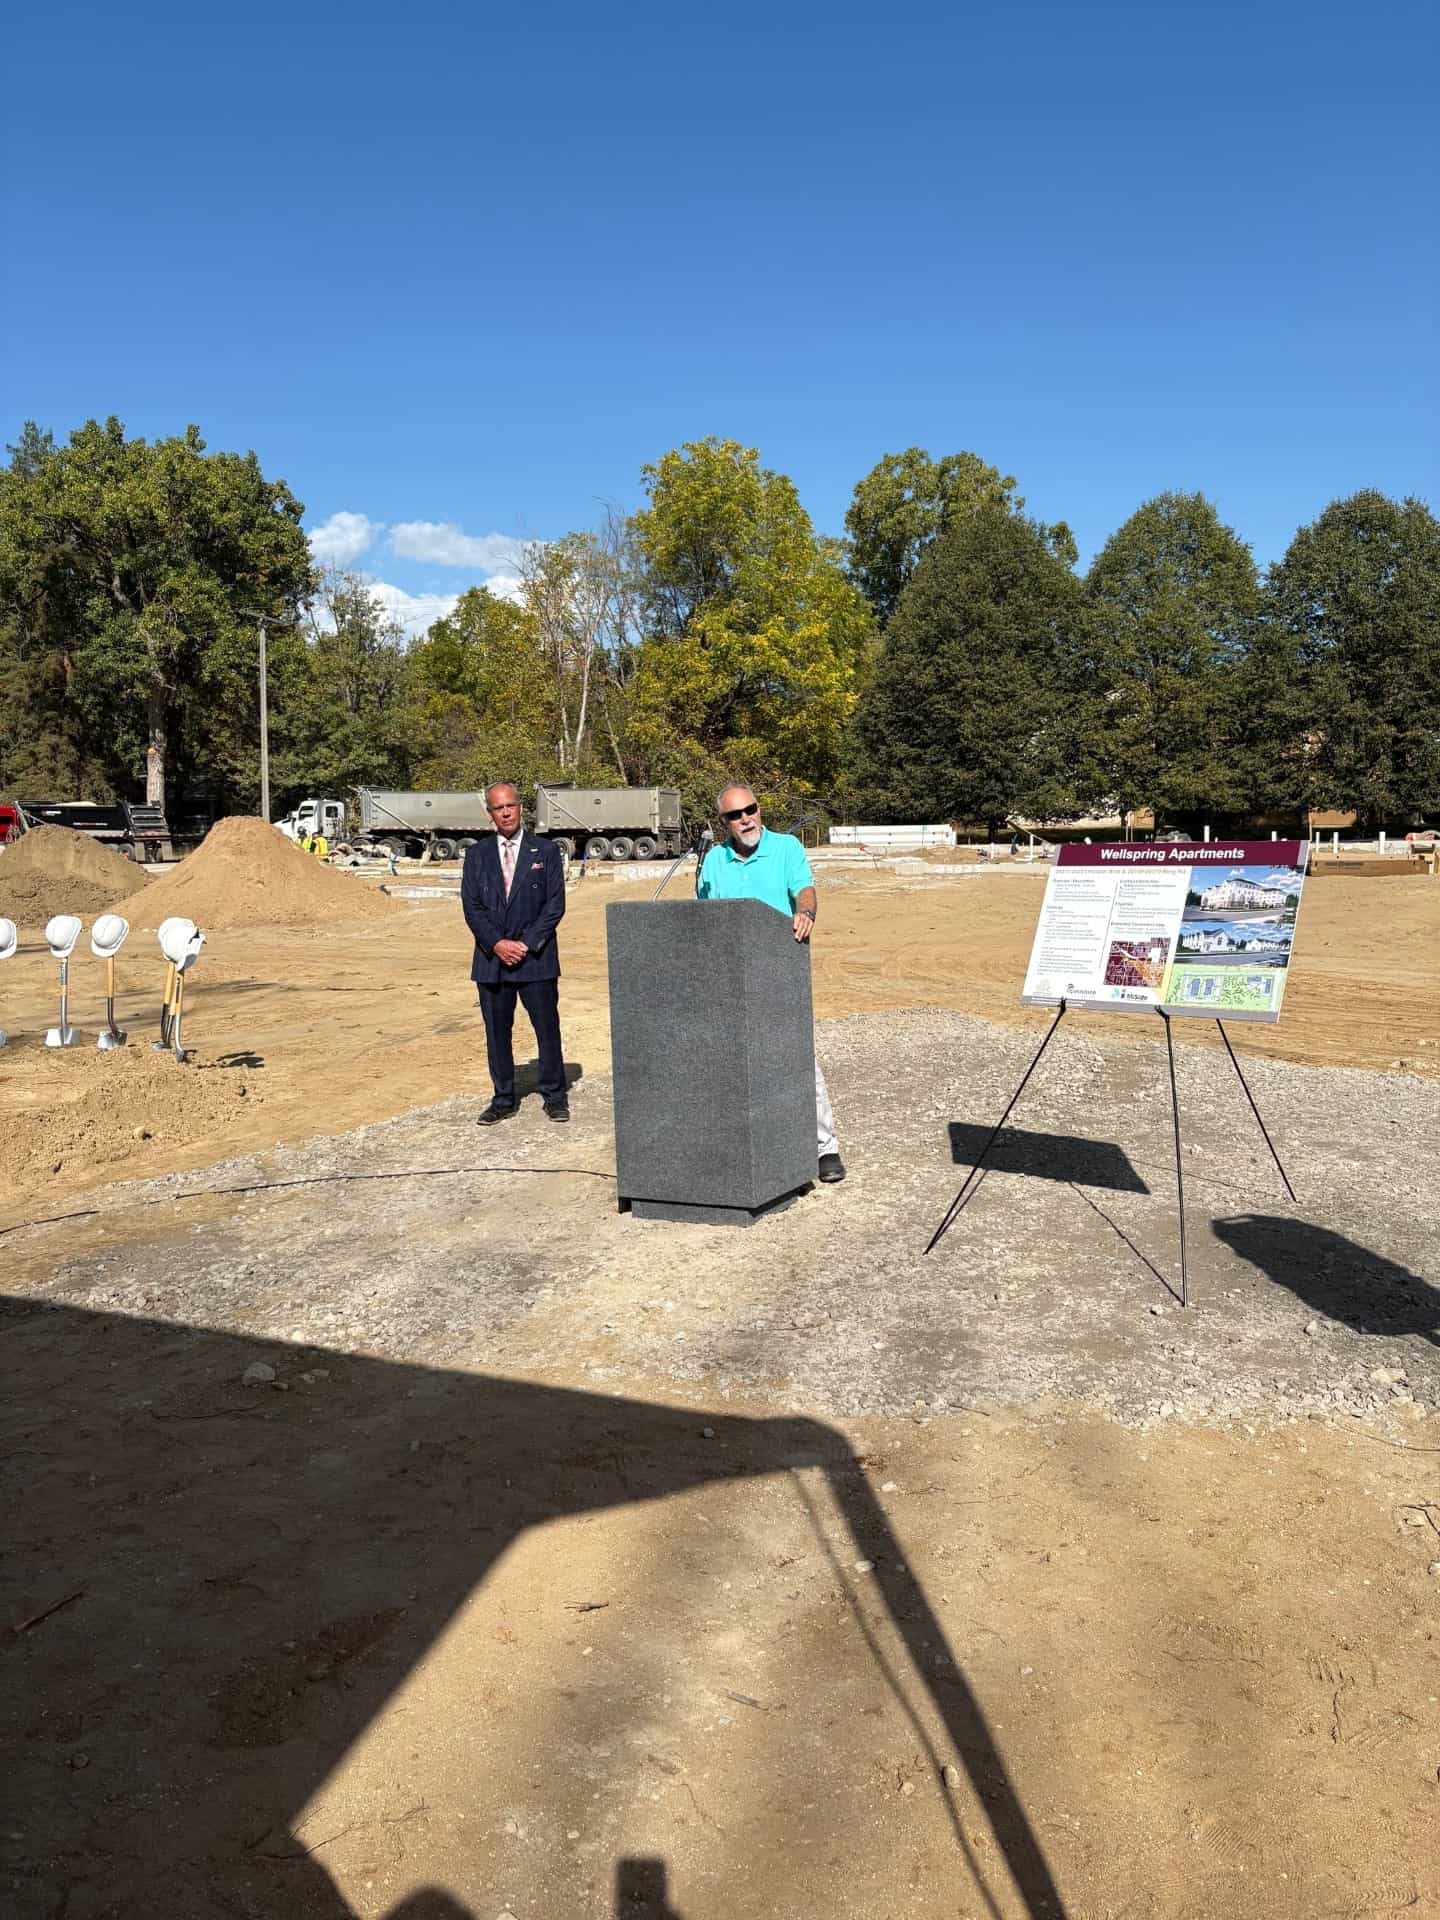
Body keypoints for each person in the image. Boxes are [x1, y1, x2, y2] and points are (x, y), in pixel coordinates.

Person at [696, 784, 845, 1184]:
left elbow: (806, 890)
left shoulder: (786, 848)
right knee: (734, 1066)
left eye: (751, 809)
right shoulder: (713, 861)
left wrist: (806, 913)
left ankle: (824, 1149)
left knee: (799, 1061)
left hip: (778, 971)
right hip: (730, 979)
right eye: (736, 815)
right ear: (723, 822)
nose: (746, 818)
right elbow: (704, 917)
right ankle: (743, 1147)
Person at [461, 783, 569, 1124]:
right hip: (492, 961)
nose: (505, 812)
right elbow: (472, 907)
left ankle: (554, 1096)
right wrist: (497, 944)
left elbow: (555, 905)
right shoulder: (476, 855)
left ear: (521, 808)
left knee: (547, 1028)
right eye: (498, 808)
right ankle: (503, 1098)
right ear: (490, 813)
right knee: (497, 1032)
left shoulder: (546, 851)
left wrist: (527, 943)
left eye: (510, 806)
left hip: (536, 958)